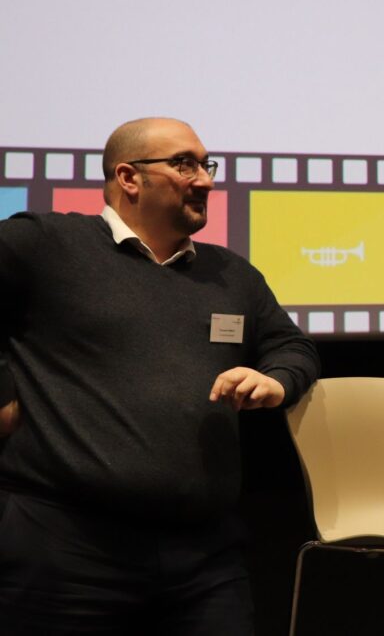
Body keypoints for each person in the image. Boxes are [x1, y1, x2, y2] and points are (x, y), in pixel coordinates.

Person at [0, 117, 321, 635]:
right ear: (129, 177)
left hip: (206, 558)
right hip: (66, 553)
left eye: (207, 165)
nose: (206, 180)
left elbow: (292, 346)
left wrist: (278, 379)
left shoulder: (230, 274)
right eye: (184, 165)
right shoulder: (47, 244)